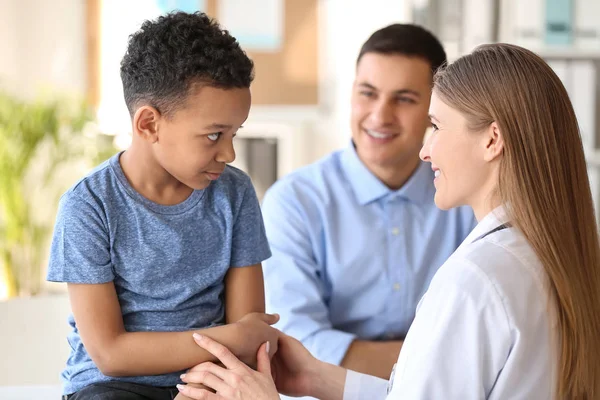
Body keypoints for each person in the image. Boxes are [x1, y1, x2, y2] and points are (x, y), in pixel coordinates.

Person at [176, 43, 600, 399]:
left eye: (436, 125)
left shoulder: (475, 281)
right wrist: (317, 377)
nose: (425, 150)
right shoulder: (542, 254)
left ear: (492, 140)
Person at [46, 11, 279, 400]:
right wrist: (232, 337)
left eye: (235, 132)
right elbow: (110, 354)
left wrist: (219, 370)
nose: (230, 153)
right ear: (149, 124)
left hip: (210, 380)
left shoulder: (234, 194)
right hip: (113, 388)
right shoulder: (89, 206)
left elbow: (248, 336)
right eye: (214, 135)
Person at [261, 24, 475, 380]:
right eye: (367, 93)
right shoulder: (294, 202)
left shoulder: (466, 200)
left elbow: (486, 333)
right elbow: (297, 346)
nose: (379, 116)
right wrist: (443, 355)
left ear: (436, 110)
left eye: (404, 99)